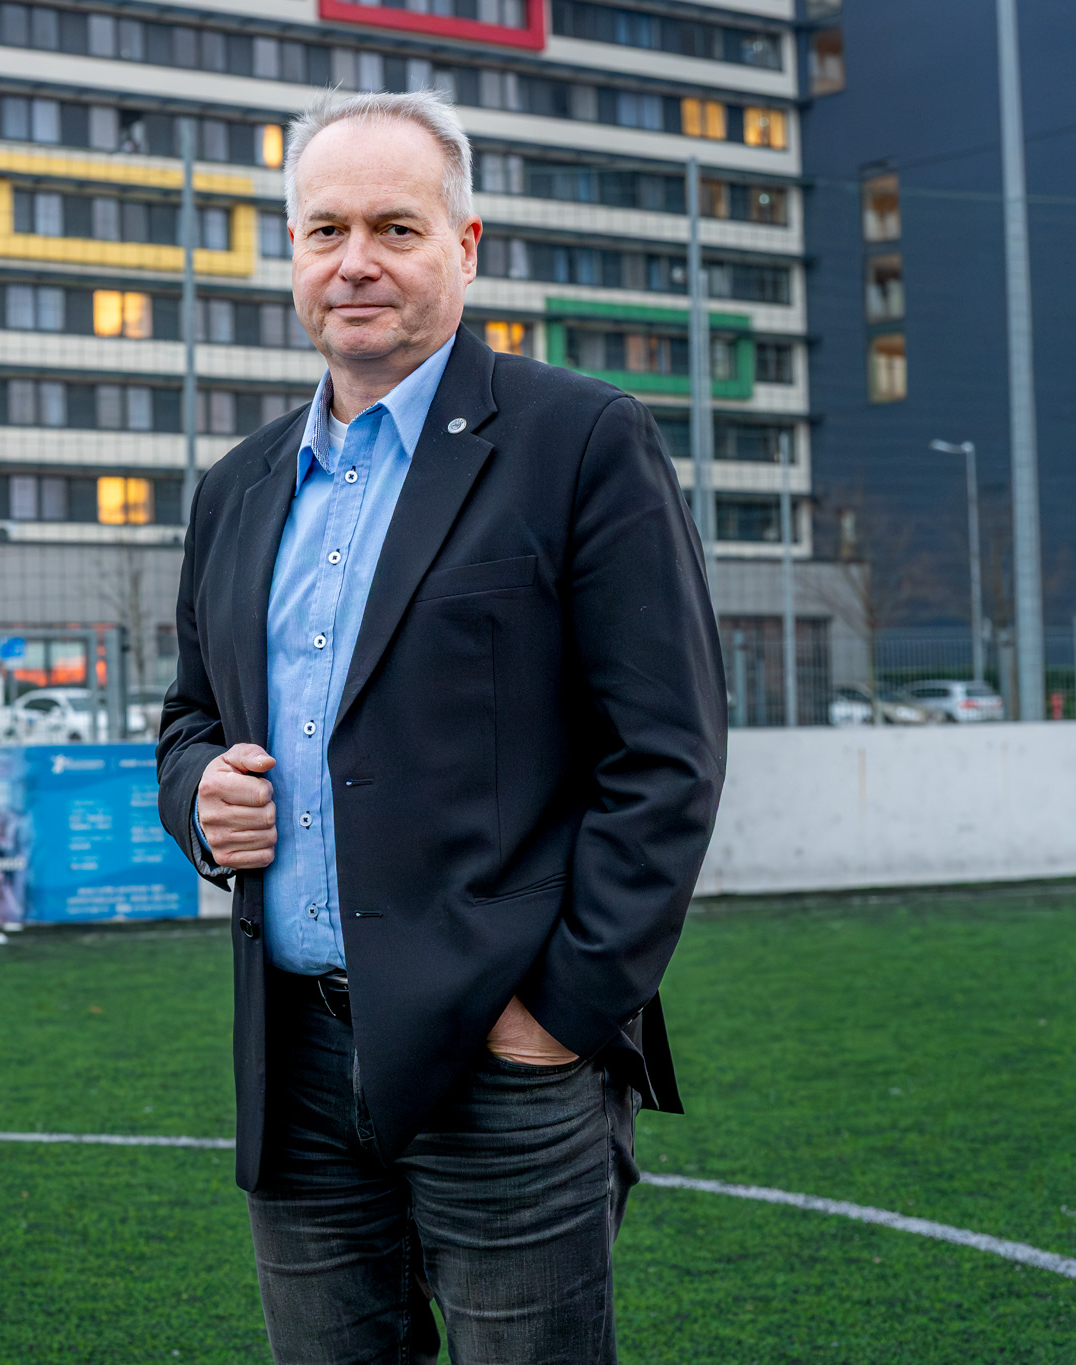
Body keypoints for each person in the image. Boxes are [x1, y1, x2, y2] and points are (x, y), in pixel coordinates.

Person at [155, 89, 726, 1364]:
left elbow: (668, 758)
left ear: (464, 246)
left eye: (394, 227)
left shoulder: (579, 442)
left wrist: (560, 1018)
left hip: (503, 1054)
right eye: (323, 230)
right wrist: (197, 793)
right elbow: (188, 716)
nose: (353, 262)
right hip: (293, 1054)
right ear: (291, 253)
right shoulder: (234, 487)